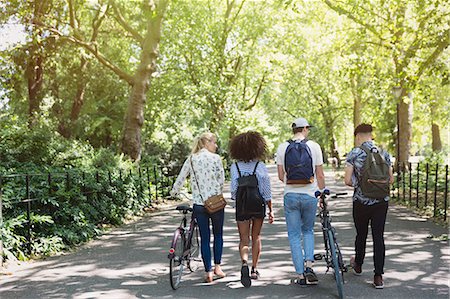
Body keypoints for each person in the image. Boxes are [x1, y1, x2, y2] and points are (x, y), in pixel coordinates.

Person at [276, 117, 326, 286]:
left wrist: (292, 182)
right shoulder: (314, 146)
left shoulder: (283, 147)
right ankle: (309, 265)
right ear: (304, 129)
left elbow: (281, 175)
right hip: (310, 195)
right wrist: (321, 193)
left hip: (290, 195)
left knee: (294, 235)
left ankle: (300, 274)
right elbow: (319, 174)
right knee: (308, 231)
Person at [170, 132, 226, 283]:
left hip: (199, 205)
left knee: (205, 238)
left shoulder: (192, 159)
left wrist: (174, 192)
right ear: (207, 142)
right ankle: (218, 267)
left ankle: (208, 272)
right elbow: (221, 180)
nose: (216, 145)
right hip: (216, 203)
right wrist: (216, 192)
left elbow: (181, 178)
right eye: (214, 142)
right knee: (218, 235)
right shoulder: (216, 159)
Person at [344, 123, 394, 289]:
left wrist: (361, 186)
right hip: (381, 201)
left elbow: (347, 180)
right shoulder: (384, 153)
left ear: (357, 136)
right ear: (371, 135)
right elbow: (390, 179)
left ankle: (358, 264)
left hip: (361, 201)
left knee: (362, 234)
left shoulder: (355, 153)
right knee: (378, 236)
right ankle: (378, 276)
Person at [229, 131, 274, 288]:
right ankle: (254, 269)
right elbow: (266, 190)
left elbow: (234, 190)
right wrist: (270, 209)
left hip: (242, 206)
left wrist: (239, 200)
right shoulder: (260, 166)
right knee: (256, 237)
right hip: (257, 204)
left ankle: (244, 263)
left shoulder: (235, 166)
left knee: (243, 238)